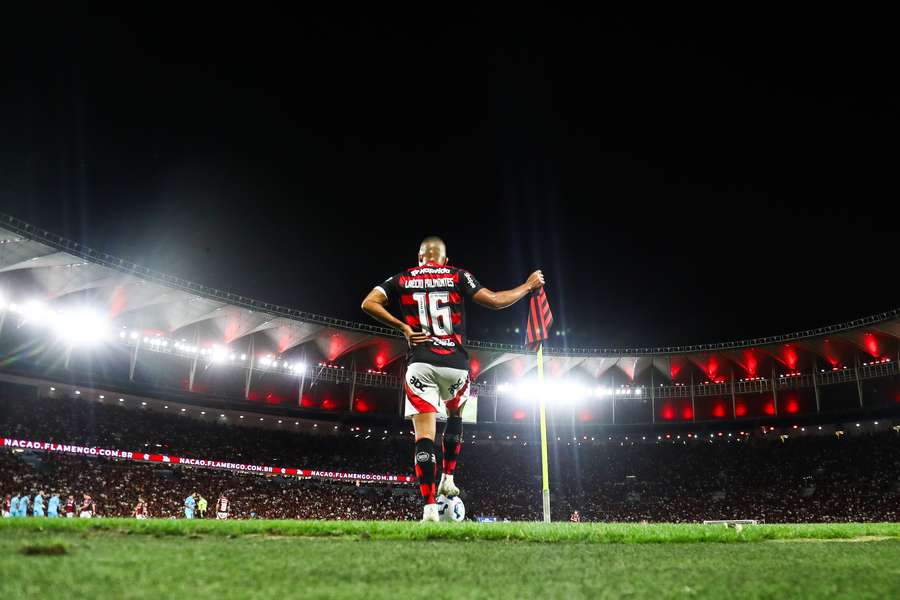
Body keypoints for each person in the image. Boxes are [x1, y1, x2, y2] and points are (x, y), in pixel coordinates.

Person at [362, 235, 544, 522]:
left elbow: (368, 303)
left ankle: (429, 509)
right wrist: (528, 285)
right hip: (455, 365)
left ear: (419, 258)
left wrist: (403, 328)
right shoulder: (457, 275)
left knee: (424, 437)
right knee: (455, 414)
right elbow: (496, 301)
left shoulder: (402, 278)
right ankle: (448, 476)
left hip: (420, 363)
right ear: (445, 260)